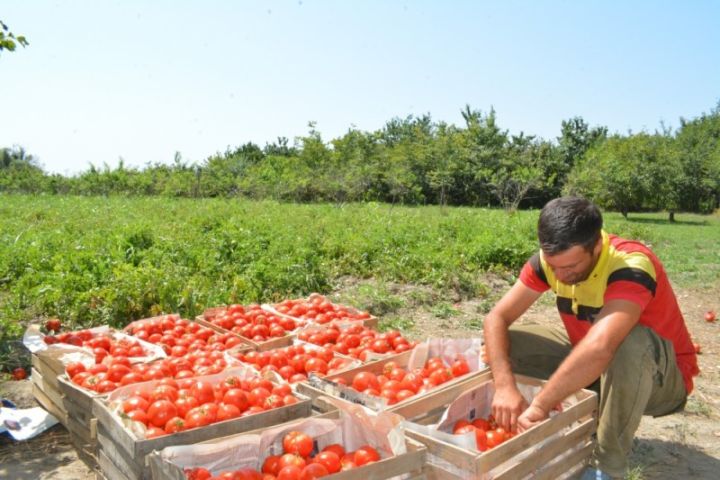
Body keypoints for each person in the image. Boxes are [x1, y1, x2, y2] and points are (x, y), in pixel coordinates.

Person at [483, 197, 699, 480]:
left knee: (629, 342)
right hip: (598, 368)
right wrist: (504, 386)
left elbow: (601, 347)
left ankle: (606, 466)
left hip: (661, 381)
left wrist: (540, 404)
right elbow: (495, 318)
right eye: (553, 265)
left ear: (596, 245)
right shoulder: (550, 262)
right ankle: (549, 421)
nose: (560, 275)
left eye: (570, 267)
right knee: (505, 341)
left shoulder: (632, 265)